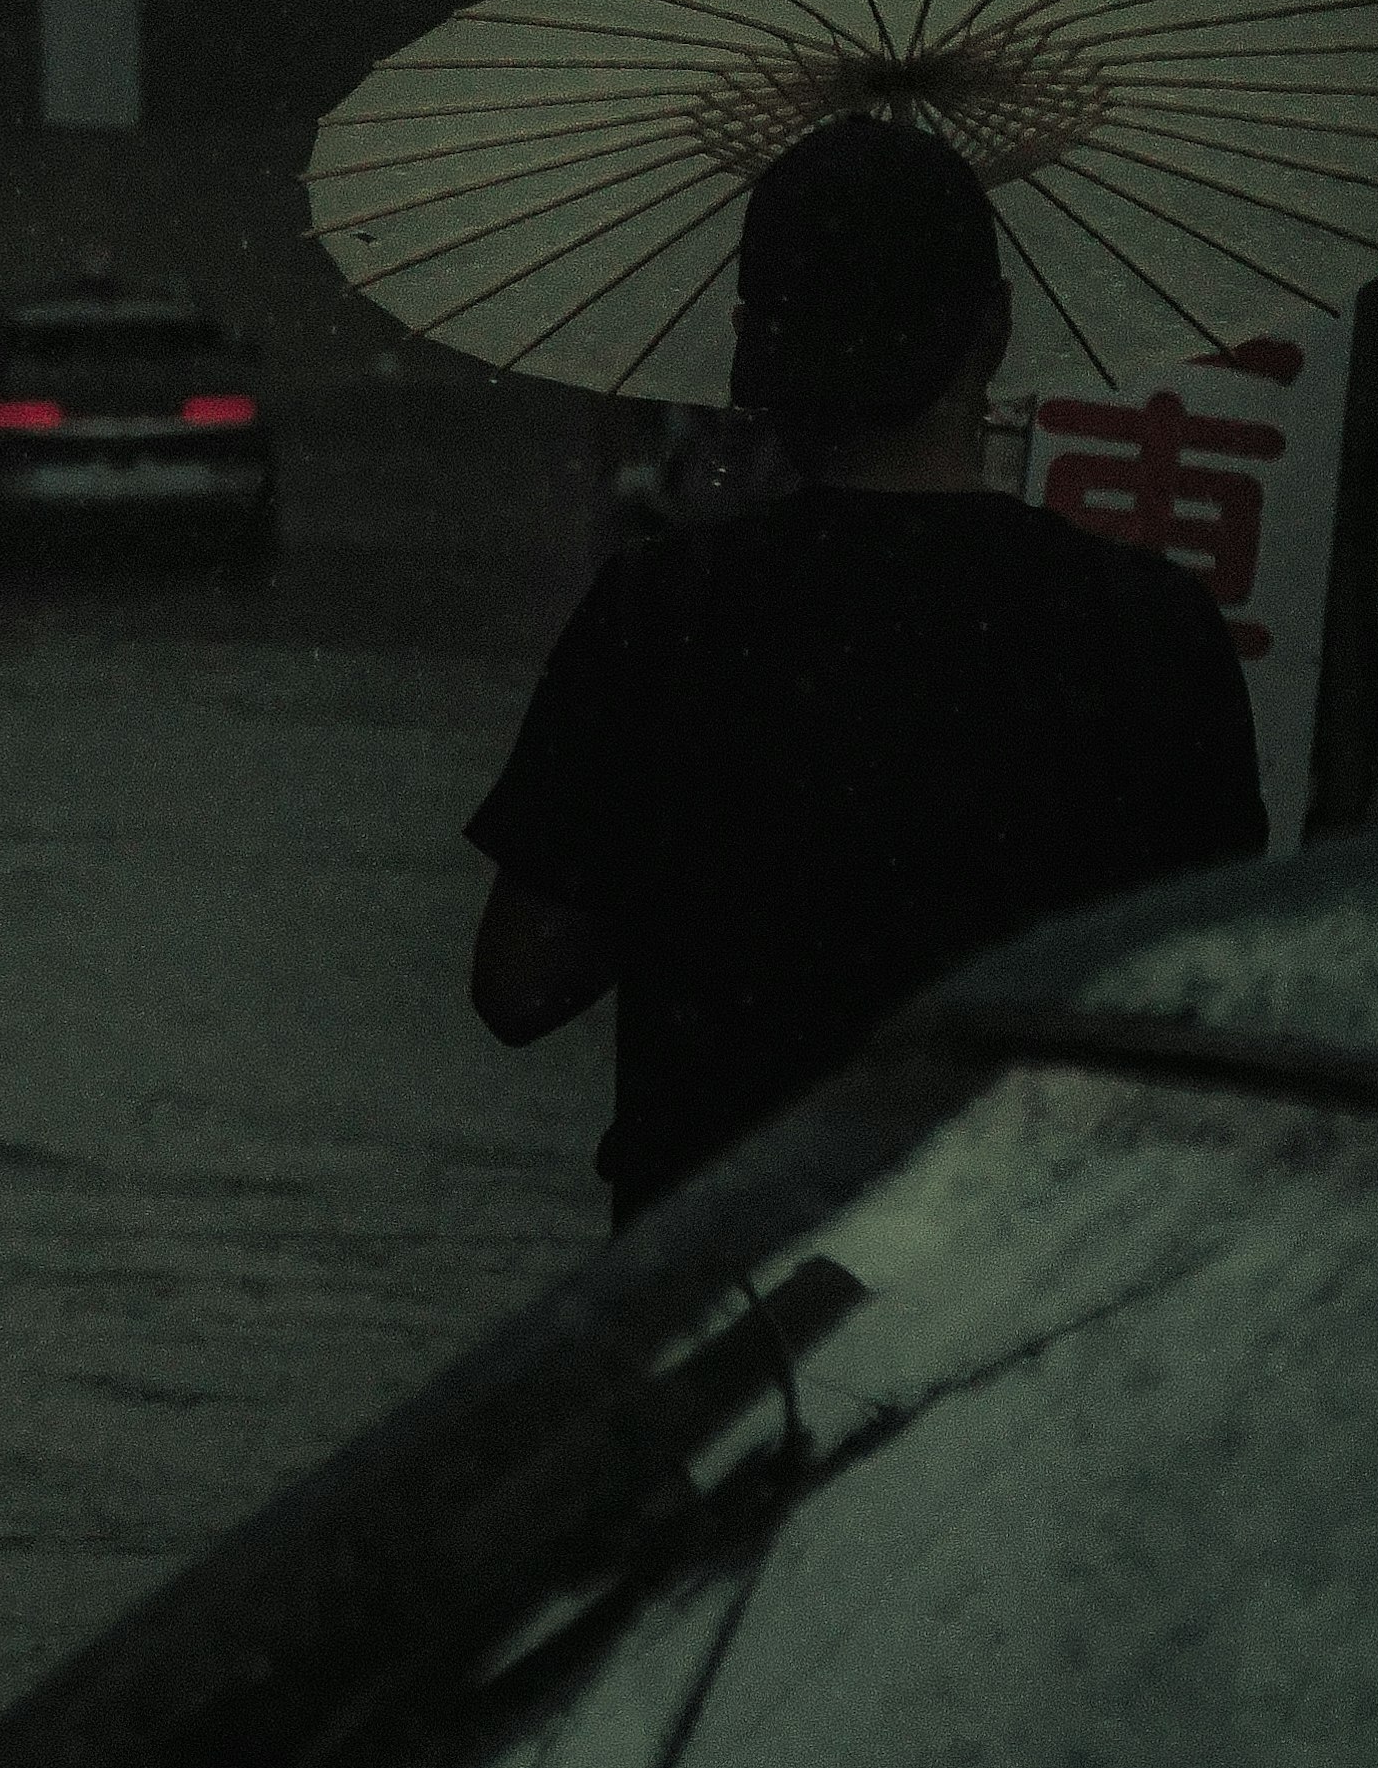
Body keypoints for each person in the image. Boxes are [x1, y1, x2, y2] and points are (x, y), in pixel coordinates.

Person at [465, 111, 1266, 1223]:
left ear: (757, 350)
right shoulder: (1147, 628)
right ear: (990, 329)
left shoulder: (668, 614)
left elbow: (518, 980)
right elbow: (1214, 1003)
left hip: (726, 1294)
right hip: (1029, 1279)